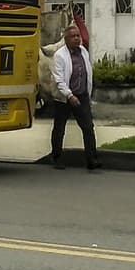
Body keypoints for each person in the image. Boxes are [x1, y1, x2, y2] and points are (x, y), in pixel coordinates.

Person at [49, 23, 101, 170]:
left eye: (78, 36)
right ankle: (56, 157)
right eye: (73, 36)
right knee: (59, 128)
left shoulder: (83, 51)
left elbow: (87, 73)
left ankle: (92, 159)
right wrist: (69, 95)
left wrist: (87, 93)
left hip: (82, 96)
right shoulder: (60, 55)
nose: (77, 39)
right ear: (66, 39)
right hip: (65, 98)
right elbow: (59, 79)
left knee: (88, 127)